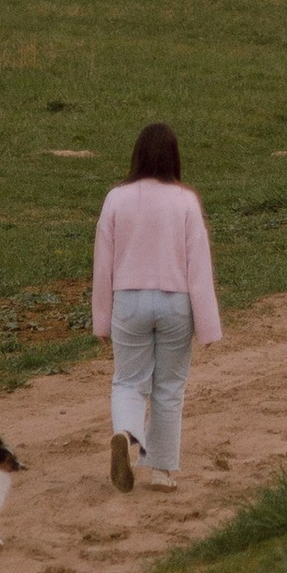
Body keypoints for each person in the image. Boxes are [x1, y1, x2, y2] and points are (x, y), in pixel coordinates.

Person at [91, 120, 223, 493]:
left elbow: (103, 263)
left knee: (128, 381)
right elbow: (199, 266)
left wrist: (101, 320)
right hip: (175, 304)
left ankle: (125, 433)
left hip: (129, 301)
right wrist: (208, 326)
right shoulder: (186, 200)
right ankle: (162, 471)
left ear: (137, 156)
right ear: (174, 159)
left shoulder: (116, 198)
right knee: (168, 387)